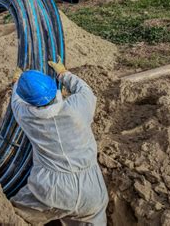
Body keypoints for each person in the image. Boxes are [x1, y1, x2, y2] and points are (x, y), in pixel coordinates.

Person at [10, 57, 108, 226]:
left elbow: (16, 101)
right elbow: (84, 89)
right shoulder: (79, 106)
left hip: (52, 191)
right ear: (53, 88)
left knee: (13, 215)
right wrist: (63, 73)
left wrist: (16, 82)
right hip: (92, 190)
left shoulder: (26, 116)